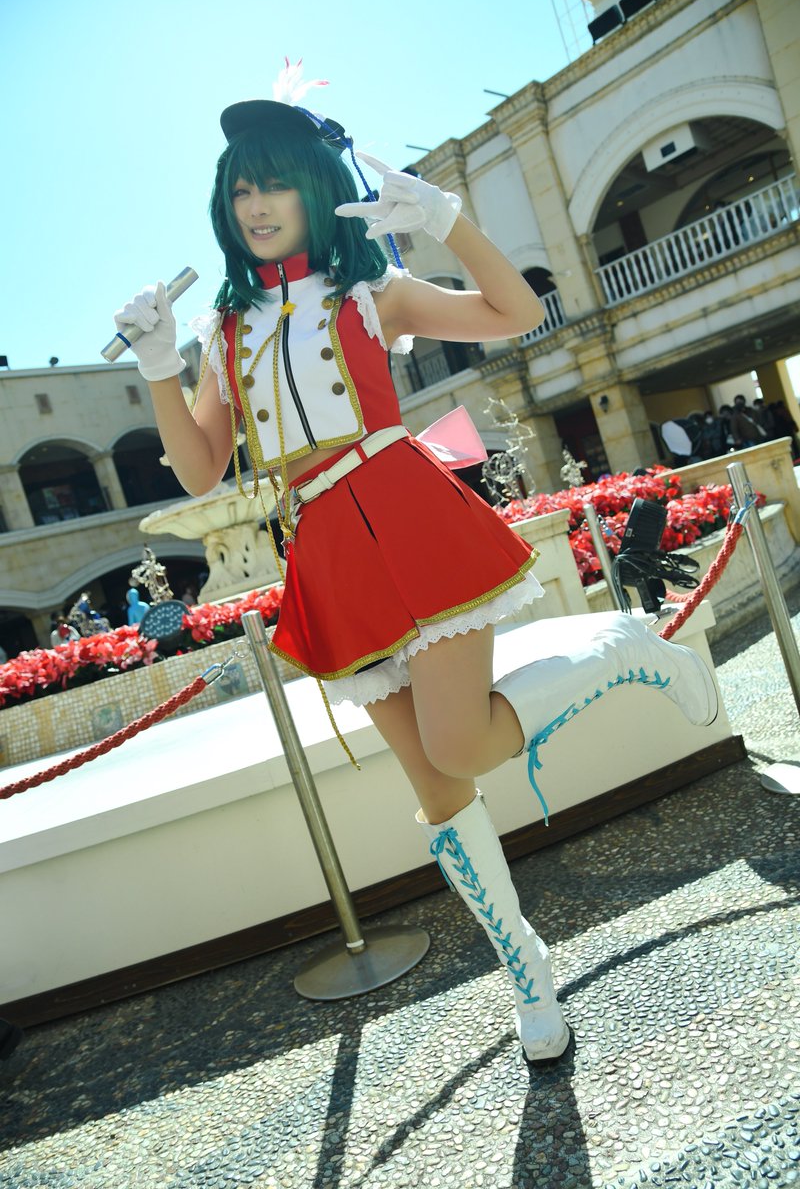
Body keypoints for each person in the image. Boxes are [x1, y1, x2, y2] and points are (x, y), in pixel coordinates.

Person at [114, 86, 718, 1064]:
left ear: (312, 189)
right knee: (437, 791)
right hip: (324, 549)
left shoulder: (366, 291)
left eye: (273, 186)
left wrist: (444, 221)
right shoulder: (224, 330)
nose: (256, 207)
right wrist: (154, 367)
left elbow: (515, 310)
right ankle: (527, 973)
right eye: (240, 192)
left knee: (459, 743)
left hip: (404, 512)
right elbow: (199, 469)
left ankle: (624, 647)